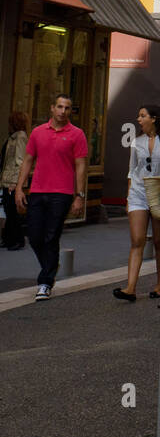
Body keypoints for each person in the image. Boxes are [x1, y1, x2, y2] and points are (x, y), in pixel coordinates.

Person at [14, 95, 87, 302]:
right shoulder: (37, 132)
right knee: (35, 236)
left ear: (70, 111)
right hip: (37, 190)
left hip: (62, 193)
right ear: (52, 108)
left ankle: (45, 282)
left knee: (51, 236)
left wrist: (79, 195)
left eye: (67, 108)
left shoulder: (77, 134)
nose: (63, 111)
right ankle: (51, 264)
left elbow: (80, 165)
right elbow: (28, 161)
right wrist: (20, 188)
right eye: (60, 107)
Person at [113, 104, 160, 301]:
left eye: (142, 116)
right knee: (137, 240)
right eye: (138, 116)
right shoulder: (137, 142)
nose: (138, 119)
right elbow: (131, 170)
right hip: (138, 193)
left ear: (154, 119)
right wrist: (128, 198)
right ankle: (130, 288)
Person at [1, 112, 29, 249]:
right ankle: (8, 239)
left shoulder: (20, 137)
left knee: (12, 211)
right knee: (9, 210)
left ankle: (18, 240)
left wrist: (16, 183)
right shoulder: (13, 137)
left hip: (12, 182)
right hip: (6, 180)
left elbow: (21, 160)